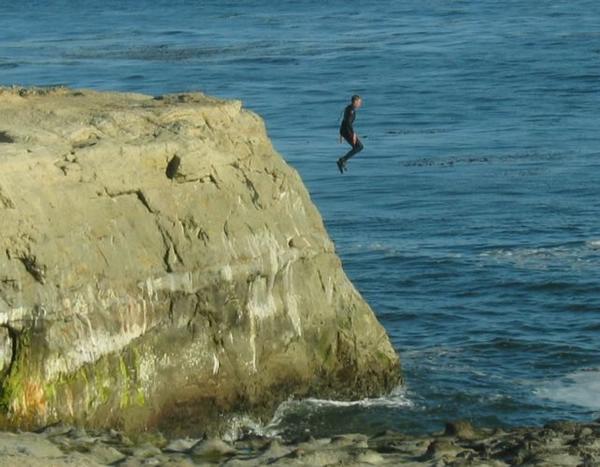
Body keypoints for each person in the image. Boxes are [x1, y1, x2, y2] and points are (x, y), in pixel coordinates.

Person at [337, 95, 364, 173]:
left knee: (357, 147)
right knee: (359, 147)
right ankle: (342, 160)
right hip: (347, 131)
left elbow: (344, 121)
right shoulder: (351, 110)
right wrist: (354, 135)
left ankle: (343, 160)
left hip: (344, 131)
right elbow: (348, 123)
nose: (360, 104)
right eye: (359, 102)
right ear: (355, 102)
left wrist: (341, 133)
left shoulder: (348, 108)